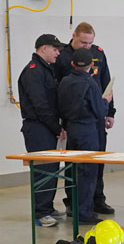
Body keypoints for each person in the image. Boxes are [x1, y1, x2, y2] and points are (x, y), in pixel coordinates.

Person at [54, 22, 115, 216]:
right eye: (83, 42)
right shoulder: (62, 57)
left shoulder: (98, 53)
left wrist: (110, 112)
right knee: (77, 165)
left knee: (96, 161)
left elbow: (106, 82)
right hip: (78, 118)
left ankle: (96, 200)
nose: (86, 46)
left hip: (96, 116)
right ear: (74, 36)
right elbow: (56, 91)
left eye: (90, 43)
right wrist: (60, 122)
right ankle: (75, 202)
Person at [18, 34, 67, 227]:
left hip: (47, 126)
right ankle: (40, 213)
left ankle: (47, 206)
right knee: (43, 170)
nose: (57, 53)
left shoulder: (47, 70)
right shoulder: (33, 71)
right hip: (38, 127)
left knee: (52, 169)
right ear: (43, 48)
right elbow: (40, 106)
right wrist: (57, 128)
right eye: (55, 49)